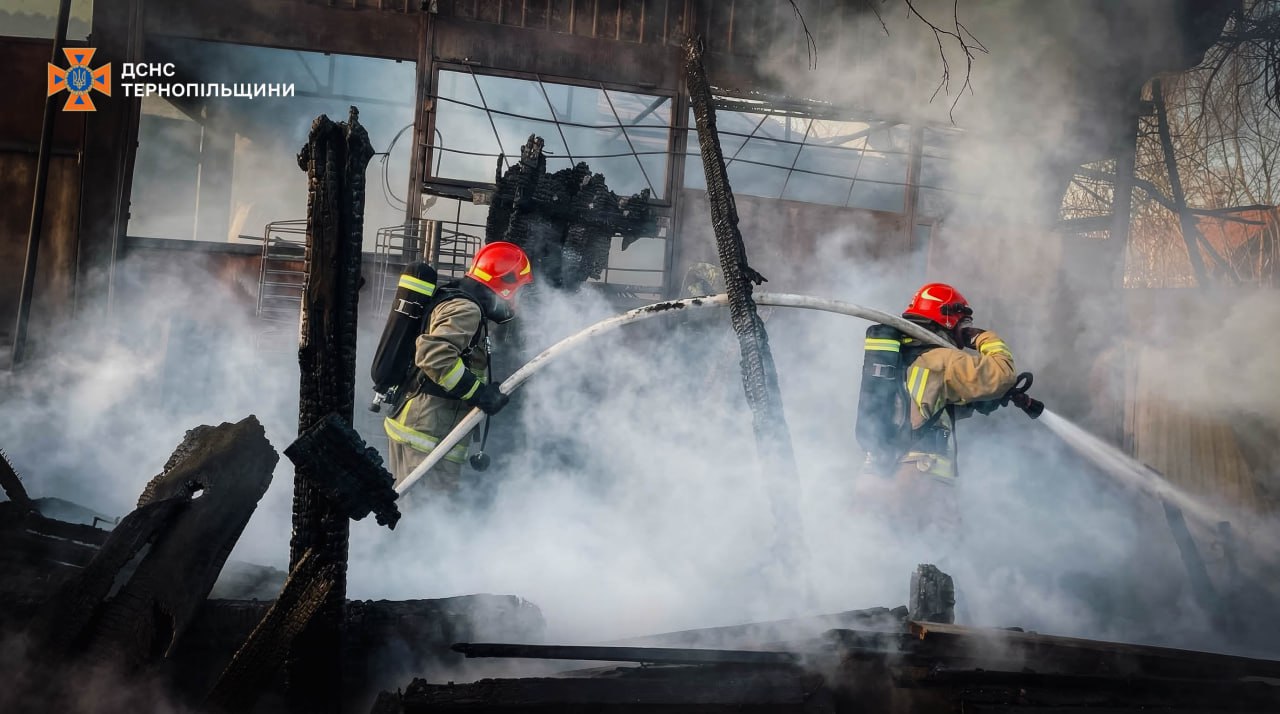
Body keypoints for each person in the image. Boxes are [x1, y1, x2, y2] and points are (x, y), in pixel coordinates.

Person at [862, 282, 1017, 532]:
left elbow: (930, 409)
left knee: (881, 558)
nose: (962, 332)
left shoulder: (903, 356)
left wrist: (986, 402)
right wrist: (981, 337)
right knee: (942, 553)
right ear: (948, 319)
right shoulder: (941, 359)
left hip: (877, 477)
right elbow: (1002, 375)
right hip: (918, 479)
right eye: (962, 324)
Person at [383, 241, 533, 494]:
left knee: (423, 515)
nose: (517, 299)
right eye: (518, 289)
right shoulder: (467, 309)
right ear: (505, 284)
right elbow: (433, 356)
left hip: (426, 431)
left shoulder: (460, 299)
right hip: (427, 435)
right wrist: (479, 394)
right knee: (425, 517)